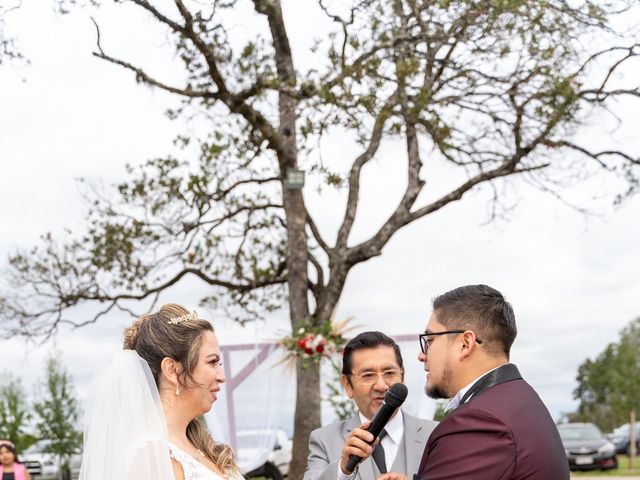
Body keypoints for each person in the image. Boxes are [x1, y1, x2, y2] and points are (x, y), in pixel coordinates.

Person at [416, 284, 570, 479]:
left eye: (429, 340)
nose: (422, 355)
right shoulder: (519, 400)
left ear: (465, 344)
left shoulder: (479, 423)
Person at [79, 304, 243, 480]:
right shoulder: (148, 457)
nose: (221, 376)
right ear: (172, 370)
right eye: (212, 362)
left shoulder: (200, 445)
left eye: (220, 364)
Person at [305, 331, 437, 480]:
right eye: (368, 375)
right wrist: (343, 471)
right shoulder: (324, 440)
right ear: (347, 385)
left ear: (402, 377)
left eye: (389, 372)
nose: (381, 386)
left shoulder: (436, 434)